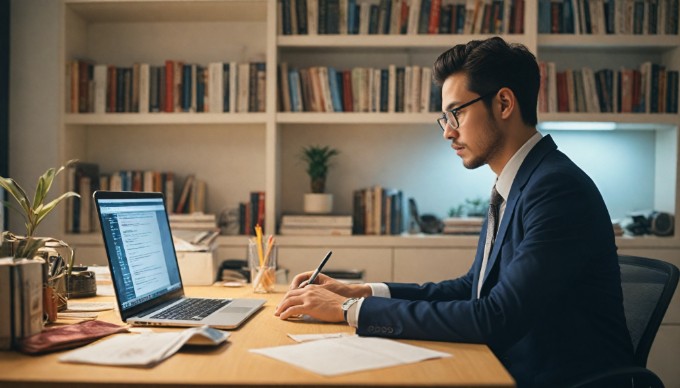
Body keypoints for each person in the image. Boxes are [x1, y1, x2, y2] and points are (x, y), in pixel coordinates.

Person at [274, 37, 634, 388]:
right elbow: (472, 288)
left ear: (504, 103)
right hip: (505, 369)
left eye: (456, 113)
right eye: (444, 117)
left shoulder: (556, 189)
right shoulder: (517, 183)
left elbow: (496, 317)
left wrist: (348, 309)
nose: (447, 132)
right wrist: (363, 292)